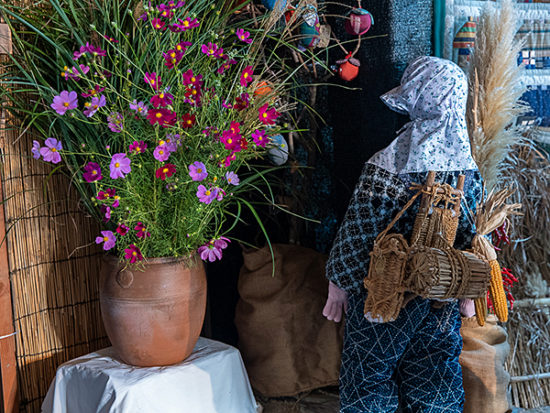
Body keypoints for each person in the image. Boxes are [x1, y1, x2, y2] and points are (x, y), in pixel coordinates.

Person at [322, 56, 482, 413]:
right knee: (436, 374)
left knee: (369, 373)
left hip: (384, 292)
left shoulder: (388, 165)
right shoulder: (467, 171)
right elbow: (472, 235)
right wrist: (469, 293)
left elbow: (360, 228)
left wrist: (338, 280)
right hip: (439, 295)